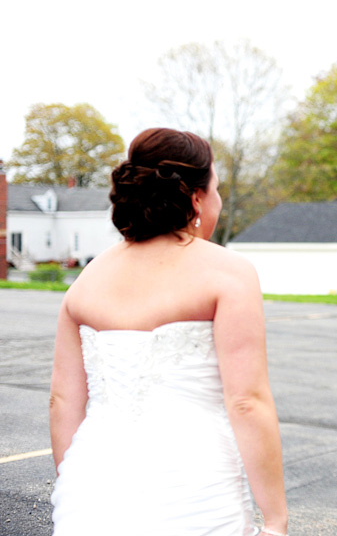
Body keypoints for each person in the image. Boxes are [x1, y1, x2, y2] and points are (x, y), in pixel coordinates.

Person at [49, 128, 288, 536]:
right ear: (196, 197)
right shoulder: (228, 273)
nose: (219, 200)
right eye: (216, 188)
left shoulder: (87, 281)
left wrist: (76, 483)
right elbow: (247, 402)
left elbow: (61, 401)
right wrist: (275, 518)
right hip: (196, 487)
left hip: (91, 487)